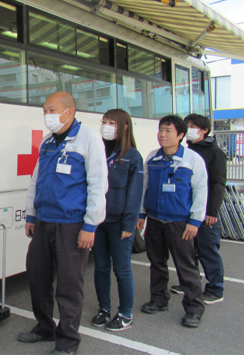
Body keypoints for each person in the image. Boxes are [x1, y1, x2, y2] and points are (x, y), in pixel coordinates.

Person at [18, 92, 107, 355]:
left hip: (72, 224)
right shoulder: (47, 142)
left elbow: (98, 184)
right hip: (44, 221)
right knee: (37, 276)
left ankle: (67, 341)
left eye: (52, 110)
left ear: (69, 111)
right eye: (45, 111)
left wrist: (90, 225)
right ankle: (44, 327)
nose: (47, 116)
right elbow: (36, 181)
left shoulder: (89, 140)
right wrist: (31, 215)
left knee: (69, 285)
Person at [137, 115, 207, 328]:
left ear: (181, 135)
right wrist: (141, 214)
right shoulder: (152, 158)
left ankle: (194, 308)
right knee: (157, 263)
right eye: (160, 130)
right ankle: (158, 299)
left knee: (185, 267)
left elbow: (201, 192)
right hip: (155, 221)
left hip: (180, 223)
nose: (162, 134)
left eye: (168, 131)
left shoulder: (192, 159)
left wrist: (195, 221)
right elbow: (144, 188)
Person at [91, 109, 143, 331]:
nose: (106, 125)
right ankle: (104, 309)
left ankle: (126, 314)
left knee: (121, 269)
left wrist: (129, 224)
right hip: (97, 221)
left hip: (119, 223)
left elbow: (135, 193)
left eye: (112, 122)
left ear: (124, 126)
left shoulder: (132, 156)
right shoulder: (96, 150)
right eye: (104, 121)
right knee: (100, 267)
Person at [168, 114, 226, 304]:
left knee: (207, 250)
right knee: (190, 250)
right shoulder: (187, 150)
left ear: (204, 130)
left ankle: (215, 288)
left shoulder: (215, 153)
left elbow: (217, 184)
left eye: (193, 126)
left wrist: (212, 212)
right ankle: (190, 282)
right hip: (187, 209)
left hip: (206, 211)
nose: (189, 129)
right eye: (188, 126)